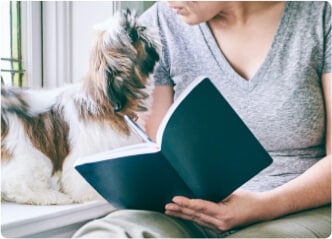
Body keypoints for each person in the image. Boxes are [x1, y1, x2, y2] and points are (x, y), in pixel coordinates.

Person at [73, 1, 331, 238]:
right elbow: (156, 149)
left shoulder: (320, 19)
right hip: (188, 212)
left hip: (292, 209)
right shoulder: (158, 26)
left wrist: (263, 206)